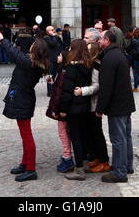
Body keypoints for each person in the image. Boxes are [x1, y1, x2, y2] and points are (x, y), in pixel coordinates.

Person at [0, 32, 50, 182]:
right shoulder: (35, 63)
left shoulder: (29, 63)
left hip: (23, 99)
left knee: (26, 135)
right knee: (24, 134)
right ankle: (25, 163)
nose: (31, 45)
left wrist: (3, 40)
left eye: (33, 44)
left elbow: (14, 53)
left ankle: (31, 169)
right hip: (24, 98)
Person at [96, 30, 136, 183]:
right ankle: (127, 166)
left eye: (100, 39)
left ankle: (120, 172)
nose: (99, 42)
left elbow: (106, 87)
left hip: (117, 105)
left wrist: (100, 109)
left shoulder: (109, 58)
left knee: (118, 139)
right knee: (126, 136)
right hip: (126, 103)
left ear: (107, 40)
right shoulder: (119, 54)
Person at [59, 39, 92, 181]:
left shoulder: (72, 68)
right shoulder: (88, 65)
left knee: (76, 137)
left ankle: (79, 169)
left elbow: (67, 91)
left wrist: (63, 109)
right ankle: (84, 163)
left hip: (73, 107)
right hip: (85, 105)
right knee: (83, 135)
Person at [74, 42, 110, 173]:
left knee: (97, 133)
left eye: (89, 50)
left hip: (94, 104)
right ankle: (97, 157)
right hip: (89, 105)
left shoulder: (96, 65)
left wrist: (83, 91)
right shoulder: (89, 63)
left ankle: (104, 161)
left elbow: (96, 86)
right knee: (92, 133)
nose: (86, 52)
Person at [46, 50, 74, 173]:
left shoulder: (64, 72)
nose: (57, 57)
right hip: (63, 108)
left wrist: (57, 110)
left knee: (63, 133)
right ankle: (66, 155)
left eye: (60, 55)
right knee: (65, 133)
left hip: (63, 109)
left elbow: (60, 93)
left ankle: (67, 157)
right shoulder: (61, 70)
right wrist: (52, 83)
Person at [44, 26, 63, 96]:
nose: (54, 31)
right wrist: (54, 36)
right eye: (52, 30)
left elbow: (61, 44)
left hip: (57, 59)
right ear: (48, 31)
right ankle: (50, 92)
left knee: (55, 76)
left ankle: (54, 89)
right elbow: (53, 44)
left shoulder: (55, 37)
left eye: (53, 29)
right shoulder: (46, 38)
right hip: (50, 60)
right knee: (50, 76)